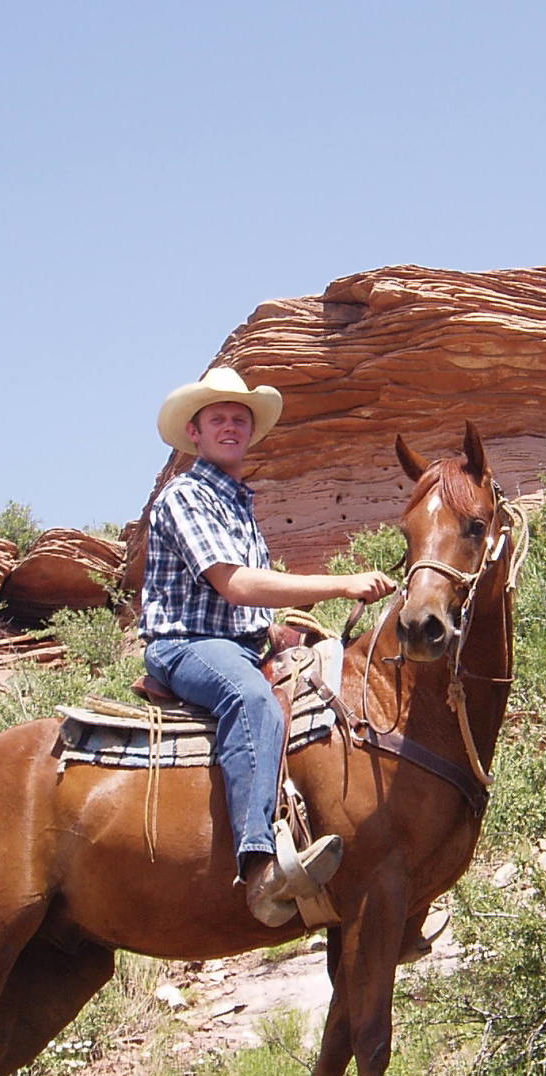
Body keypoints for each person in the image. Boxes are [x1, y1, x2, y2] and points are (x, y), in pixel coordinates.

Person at [141, 366, 396, 926]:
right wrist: (342, 583)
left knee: (332, 684)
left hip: (237, 639)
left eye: (239, 419)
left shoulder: (238, 503)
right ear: (195, 433)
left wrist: (282, 629)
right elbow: (233, 584)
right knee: (252, 701)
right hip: (186, 643)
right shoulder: (186, 495)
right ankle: (260, 867)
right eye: (218, 419)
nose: (230, 427)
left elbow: (247, 601)